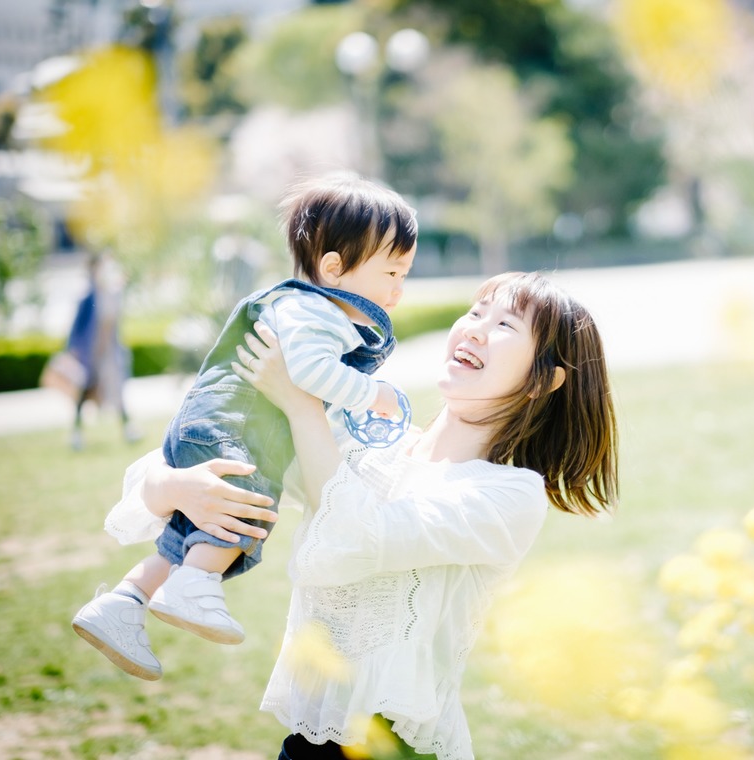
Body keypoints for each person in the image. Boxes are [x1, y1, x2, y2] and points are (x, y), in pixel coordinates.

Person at [104, 271, 619, 759]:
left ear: (543, 381)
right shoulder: (368, 447)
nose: (476, 330)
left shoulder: (508, 496)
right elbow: (227, 459)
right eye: (477, 311)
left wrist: (302, 406)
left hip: (401, 749)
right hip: (309, 743)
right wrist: (166, 485)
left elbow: (346, 543)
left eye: (505, 325)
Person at [73, 173, 418, 681]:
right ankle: (196, 587)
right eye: (391, 272)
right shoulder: (312, 313)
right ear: (334, 268)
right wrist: (375, 393)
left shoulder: (301, 308)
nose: (398, 288)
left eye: (404, 276)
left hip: (207, 430)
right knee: (246, 511)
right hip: (233, 431)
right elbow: (306, 374)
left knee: (190, 530)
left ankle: (123, 604)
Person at [66, 251, 139, 451]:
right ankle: (76, 434)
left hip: (109, 355)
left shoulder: (110, 293)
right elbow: (76, 328)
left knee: (117, 391)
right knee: (84, 394)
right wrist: (73, 351)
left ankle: (128, 429)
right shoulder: (88, 296)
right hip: (90, 356)